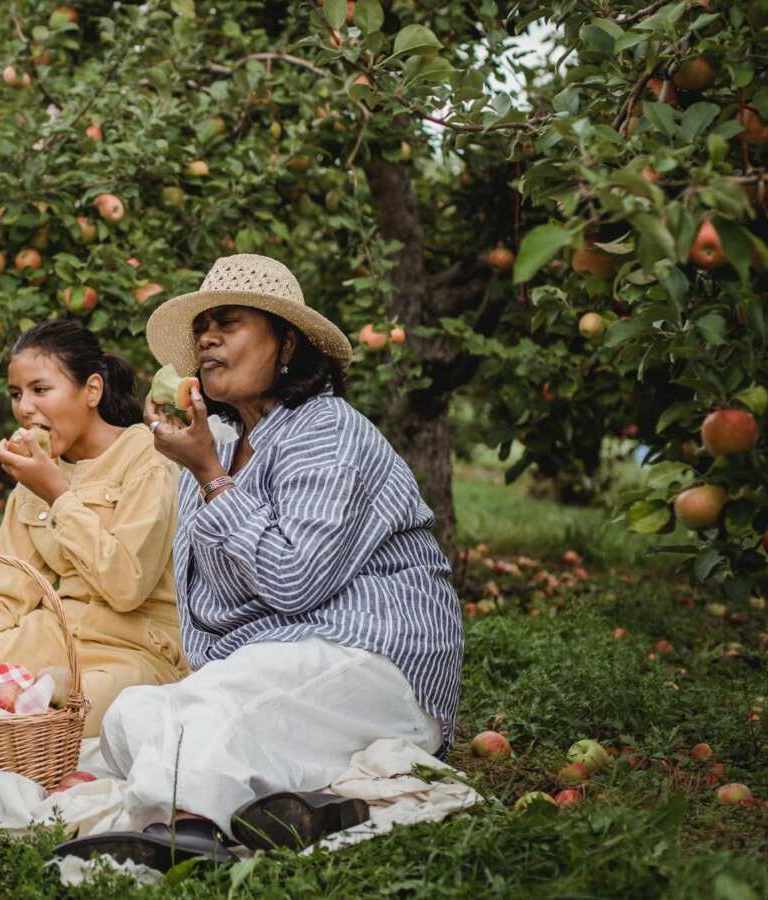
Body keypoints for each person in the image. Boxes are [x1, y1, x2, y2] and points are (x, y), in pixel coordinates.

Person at [56, 254, 464, 867]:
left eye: (229, 322)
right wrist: (200, 466)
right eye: (202, 328)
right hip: (281, 663)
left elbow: (294, 581)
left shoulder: (326, 430)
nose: (207, 338)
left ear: (286, 343)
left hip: (373, 659)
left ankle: (186, 833)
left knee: (216, 709)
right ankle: (306, 806)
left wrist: (211, 478)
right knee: (135, 715)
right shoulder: (217, 443)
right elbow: (209, 602)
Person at [0, 320, 191, 737]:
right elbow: (10, 594)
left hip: (132, 648)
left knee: (61, 714)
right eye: (15, 394)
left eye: (40, 390)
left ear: (92, 391)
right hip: (55, 635)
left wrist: (58, 495)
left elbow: (127, 586)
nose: (24, 408)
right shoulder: (35, 473)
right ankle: (21, 706)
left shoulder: (146, 460)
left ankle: (25, 711)